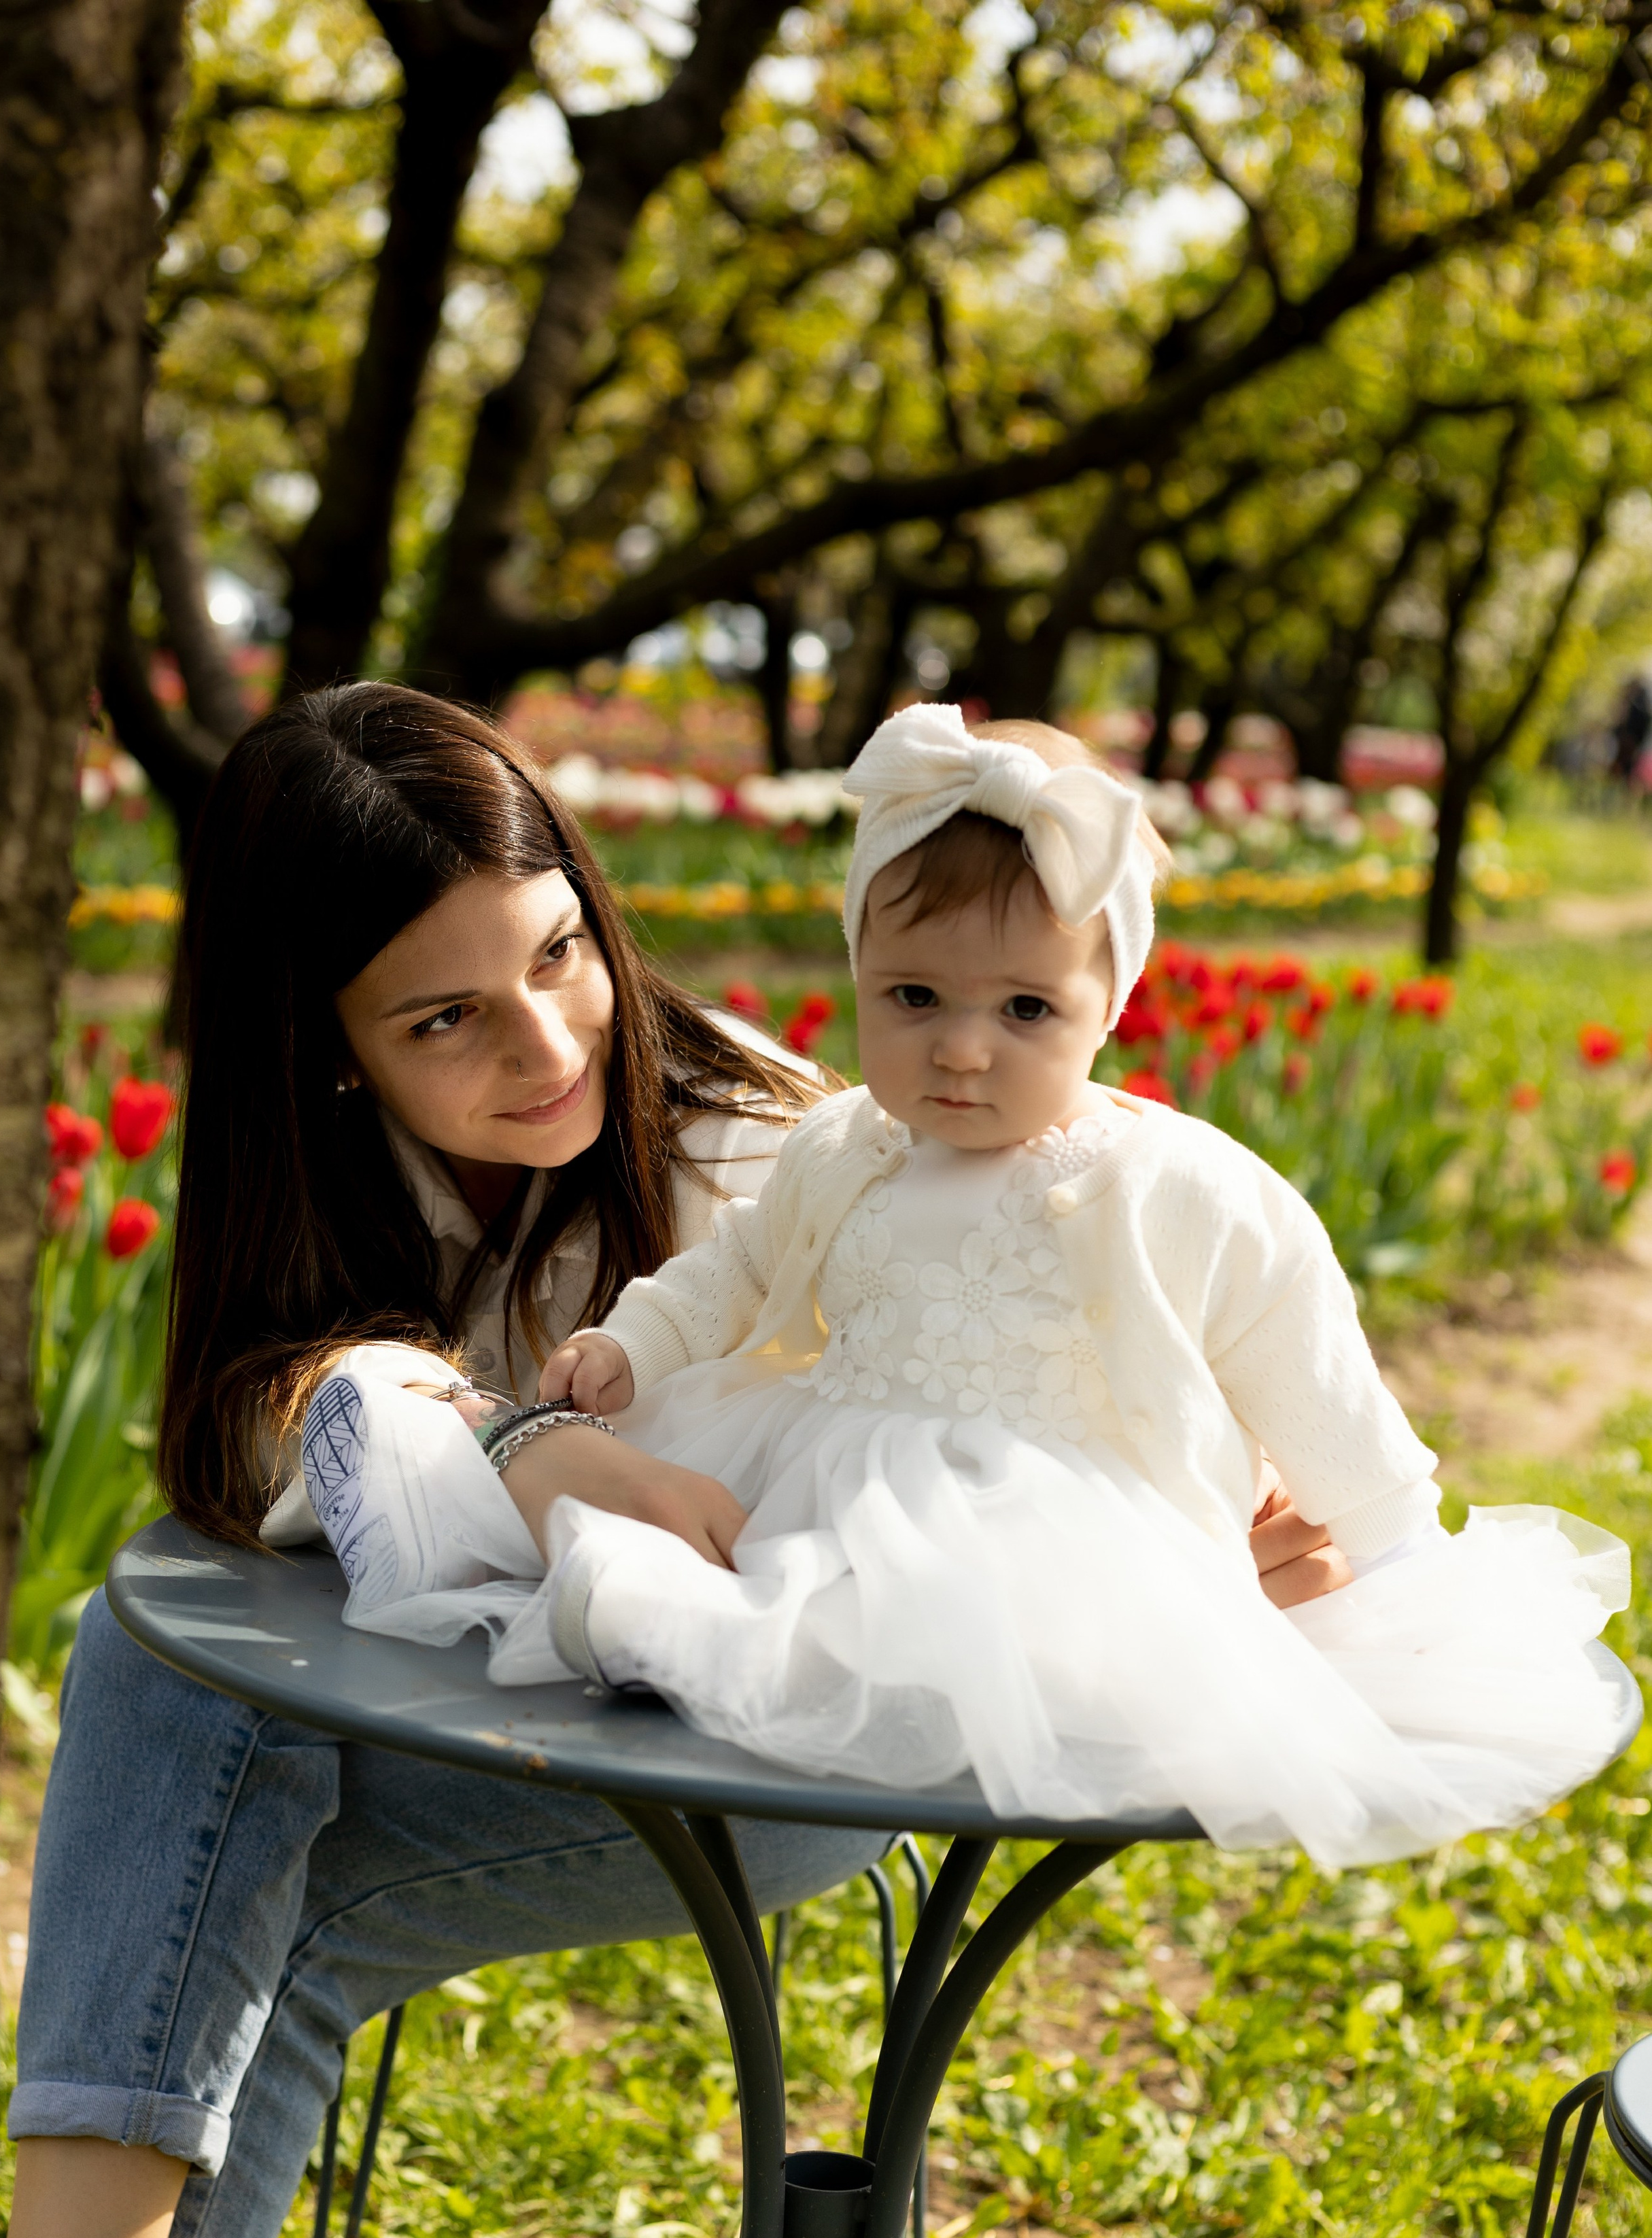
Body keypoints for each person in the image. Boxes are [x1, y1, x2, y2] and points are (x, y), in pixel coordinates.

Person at [0, 685, 1351, 2238]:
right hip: (501, 1716)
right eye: (443, 1019)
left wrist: (1221, 1505)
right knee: (208, 1789)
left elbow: (1069, 1328)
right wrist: (500, 1436)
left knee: (204, 1814)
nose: (545, 1047)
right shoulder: (325, 1194)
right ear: (324, 1050)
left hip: (762, 1751)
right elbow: (262, 1441)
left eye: (557, 956)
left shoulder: (777, 1150)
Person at [321, 707, 1628, 1876]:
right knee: (763, 1584)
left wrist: (1391, 1544)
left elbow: (1300, 1349)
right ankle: (659, 1629)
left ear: (1107, 1005)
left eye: (1024, 1011)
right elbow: (737, 1267)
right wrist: (637, 1344)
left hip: (1047, 1516)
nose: (960, 1047)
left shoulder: (1171, 1182)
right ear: (856, 971)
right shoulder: (845, 1147)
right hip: (832, 1470)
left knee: (944, 1641)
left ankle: (702, 1649)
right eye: (913, 995)